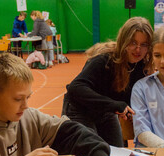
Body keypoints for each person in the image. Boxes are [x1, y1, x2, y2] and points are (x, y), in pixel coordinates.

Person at [63, 17, 153, 147]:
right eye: (133, 43)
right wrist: (115, 105)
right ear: (124, 40)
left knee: (118, 151)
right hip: (79, 109)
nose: (138, 50)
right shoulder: (105, 60)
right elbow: (75, 87)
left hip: (105, 111)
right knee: (92, 151)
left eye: (144, 44)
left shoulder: (142, 66)